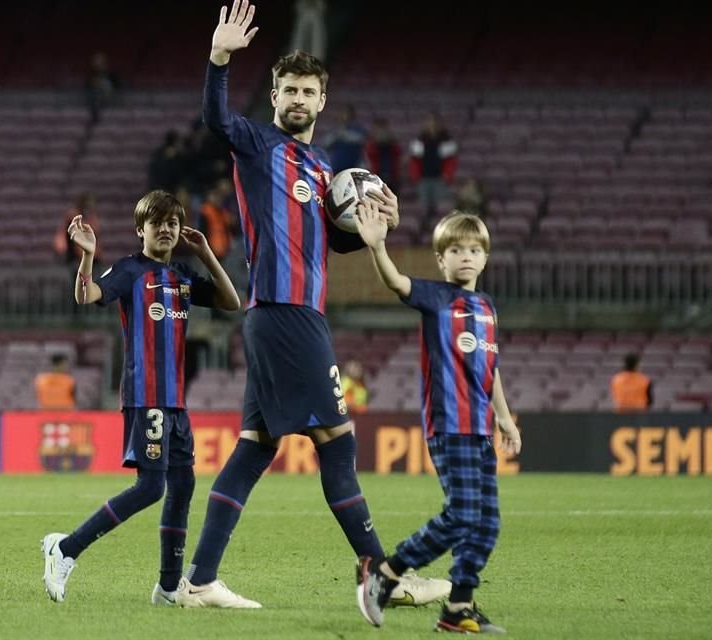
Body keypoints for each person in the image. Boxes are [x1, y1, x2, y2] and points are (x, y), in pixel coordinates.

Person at [175, 0, 449, 609]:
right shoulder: (256, 143)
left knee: (253, 448)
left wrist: (371, 230)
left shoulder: (326, 167)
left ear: (323, 102)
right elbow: (215, 119)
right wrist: (219, 59)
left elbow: (328, 237)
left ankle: (198, 581)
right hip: (284, 310)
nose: (298, 98)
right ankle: (384, 575)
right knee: (339, 444)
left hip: (287, 314)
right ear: (273, 95)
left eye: (308, 91)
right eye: (288, 89)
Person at [40, 190, 241, 604]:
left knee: (183, 486)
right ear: (141, 230)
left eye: (172, 222)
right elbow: (86, 296)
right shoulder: (131, 271)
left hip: (176, 401)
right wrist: (87, 257)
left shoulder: (183, 275)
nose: (165, 229)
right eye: (157, 223)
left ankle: (169, 588)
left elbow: (231, 302)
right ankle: (66, 548)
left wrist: (206, 254)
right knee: (151, 488)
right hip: (145, 395)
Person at [354, 206, 521, 634]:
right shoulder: (436, 297)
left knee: (487, 524)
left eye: (473, 249)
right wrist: (377, 245)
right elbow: (395, 282)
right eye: (455, 249)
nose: (465, 256)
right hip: (449, 423)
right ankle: (387, 574)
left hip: (480, 427)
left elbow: (491, 366)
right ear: (440, 260)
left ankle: (458, 607)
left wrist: (504, 417)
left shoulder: (487, 307)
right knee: (463, 515)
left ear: (485, 257)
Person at [408, 111, 458, 219]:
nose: (432, 124)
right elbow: (414, 161)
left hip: (440, 179)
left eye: (435, 122)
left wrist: (447, 176)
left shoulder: (446, 140)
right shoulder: (420, 140)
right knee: (424, 209)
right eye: (430, 122)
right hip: (423, 179)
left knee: (441, 210)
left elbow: (451, 162)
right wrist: (416, 177)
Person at [325, 105, 368, 174]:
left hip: (353, 166)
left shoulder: (358, 128)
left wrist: (343, 134)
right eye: (342, 113)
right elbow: (326, 143)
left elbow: (360, 139)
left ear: (352, 115)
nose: (344, 115)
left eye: (346, 113)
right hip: (337, 165)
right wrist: (336, 136)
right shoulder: (336, 128)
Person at [364, 116, 402, 193]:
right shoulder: (371, 145)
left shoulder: (393, 145)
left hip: (392, 177)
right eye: (378, 129)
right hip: (376, 177)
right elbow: (370, 156)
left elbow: (398, 154)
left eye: (383, 129)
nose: (381, 132)